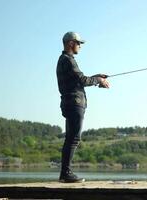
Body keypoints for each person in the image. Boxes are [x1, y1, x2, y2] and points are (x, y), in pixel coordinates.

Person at [56, 31, 109, 183]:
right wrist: (98, 80)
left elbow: (78, 80)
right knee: (73, 139)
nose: (80, 46)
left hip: (70, 103)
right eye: (79, 43)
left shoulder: (64, 60)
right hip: (74, 104)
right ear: (71, 43)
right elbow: (82, 80)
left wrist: (96, 77)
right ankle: (66, 173)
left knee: (71, 138)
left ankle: (64, 173)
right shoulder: (68, 59)